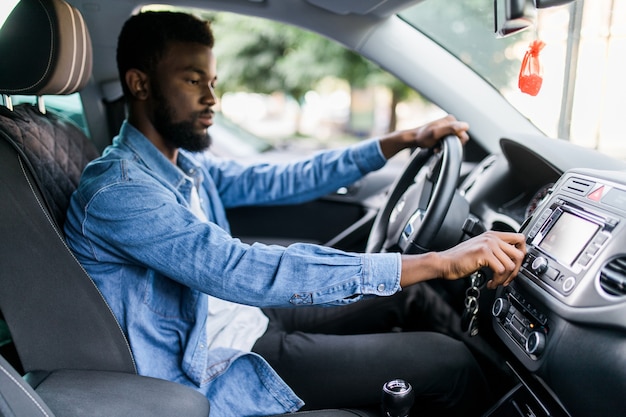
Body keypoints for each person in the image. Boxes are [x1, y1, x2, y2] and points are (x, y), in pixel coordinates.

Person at [64, 10, 526, 417]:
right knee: (449, 363)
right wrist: (439, 261)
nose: (211, 98)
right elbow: (237, 269)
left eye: (212, 82)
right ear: (140, 84)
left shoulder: (183, 165)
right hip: (224, 356)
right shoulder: (121, 191)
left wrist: (399, 141)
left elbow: (282, 178)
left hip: (246, 316)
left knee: (408, 297)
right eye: (192, 80)